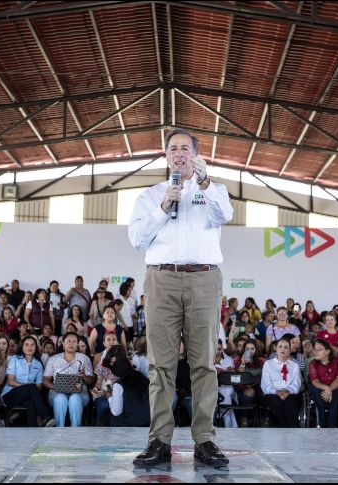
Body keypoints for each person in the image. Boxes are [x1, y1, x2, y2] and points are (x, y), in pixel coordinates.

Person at [128, 128, 233, 467]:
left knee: (204, 363)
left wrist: (205, 184)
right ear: (166, 156)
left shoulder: (214, 191)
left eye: (185, 148)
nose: (179, 153)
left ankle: (205, 441)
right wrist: (164, 205)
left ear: (195, 155)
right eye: (173, 148)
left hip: (204, 279)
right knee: (161, 365)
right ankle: (159, 441)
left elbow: (224, 216)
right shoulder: (150, 195)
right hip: (161, 279)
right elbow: (137, 239)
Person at [44, 332, 95, 428]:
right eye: (68, 341)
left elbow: (90, 380)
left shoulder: (84, 359)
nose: (71, 343)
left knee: (75, 398)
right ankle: (60, 429)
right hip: (57, 391)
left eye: (74, 341)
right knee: (60, 398)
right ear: (63, 343)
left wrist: (84, 376)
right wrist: (55, 387)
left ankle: (75, 430)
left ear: (77, 344)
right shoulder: (54, 359)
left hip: (79, 392)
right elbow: (45, 379)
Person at [1, 335, 52, 427]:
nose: (30, 347)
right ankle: (45, 417)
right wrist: (27, 387)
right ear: (22, 347)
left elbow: (39, 386)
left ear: (36, 347)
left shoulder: (38, 364)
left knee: (31, 403)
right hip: (10, 395)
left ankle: (32, 430)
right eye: (27, 345)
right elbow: (10, 381)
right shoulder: (14, 359)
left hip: (29, 395)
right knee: (31, 387)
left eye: (32, 345)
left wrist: (29, 389)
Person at [261, 338, 301, 428]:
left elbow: (297, 383)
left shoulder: (295, 365)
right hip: (272, 394)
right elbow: (265, 383)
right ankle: (285, 430)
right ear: (276, 349)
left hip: (290, 393)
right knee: (276, 403)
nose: (283, 349)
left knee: (290, 404)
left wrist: (288, 391)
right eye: (280, 347)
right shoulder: (268, 364)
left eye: (286, 347)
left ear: (289, 351)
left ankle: (292, 432)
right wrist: (276, 392)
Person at [100, 358, 151, 427]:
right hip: (149, 419)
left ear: (116, 373)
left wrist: (109, 397)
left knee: (105, 417)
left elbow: (116, 412)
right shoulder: (143, 378)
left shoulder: (118, 385)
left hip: (132, 423)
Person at [308, 339, 338, 428]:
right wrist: (326, 388)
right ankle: (321, 426)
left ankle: (332, 428)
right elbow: (315, 381)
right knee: (318, 397)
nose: (315, 352)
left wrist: (329, 389)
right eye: (314, 349)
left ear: (328, 351)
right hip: (318, 387)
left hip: (335, 387)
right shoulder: (313, 363)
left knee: (335, 397)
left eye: (319, 349)